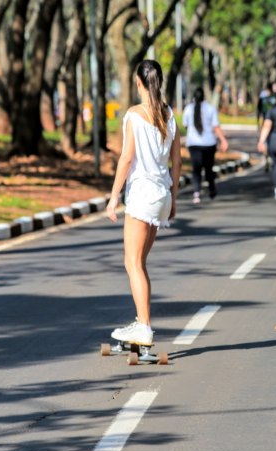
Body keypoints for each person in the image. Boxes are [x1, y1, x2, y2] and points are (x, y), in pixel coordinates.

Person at [105, 59, 182, 346]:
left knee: (132, 262)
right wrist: (174, 197)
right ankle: (141, 321)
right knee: (140, 262)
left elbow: (126, 158)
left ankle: (145, 327)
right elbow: (178, 160)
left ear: (138, 83)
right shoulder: (169, 114)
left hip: (142, 197)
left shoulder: (134, 116)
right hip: (162, 195)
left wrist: (114, 196)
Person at [183, 87, 229, 204]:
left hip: (193, 144)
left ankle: (196, 192)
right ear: (204, 96)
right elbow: (216, 127)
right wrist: (223, 140)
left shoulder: (188, 109)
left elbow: (185, 125)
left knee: (196, 169)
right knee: (209, 168)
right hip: (209, 143)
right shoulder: (210, 109)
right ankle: (212, 188)